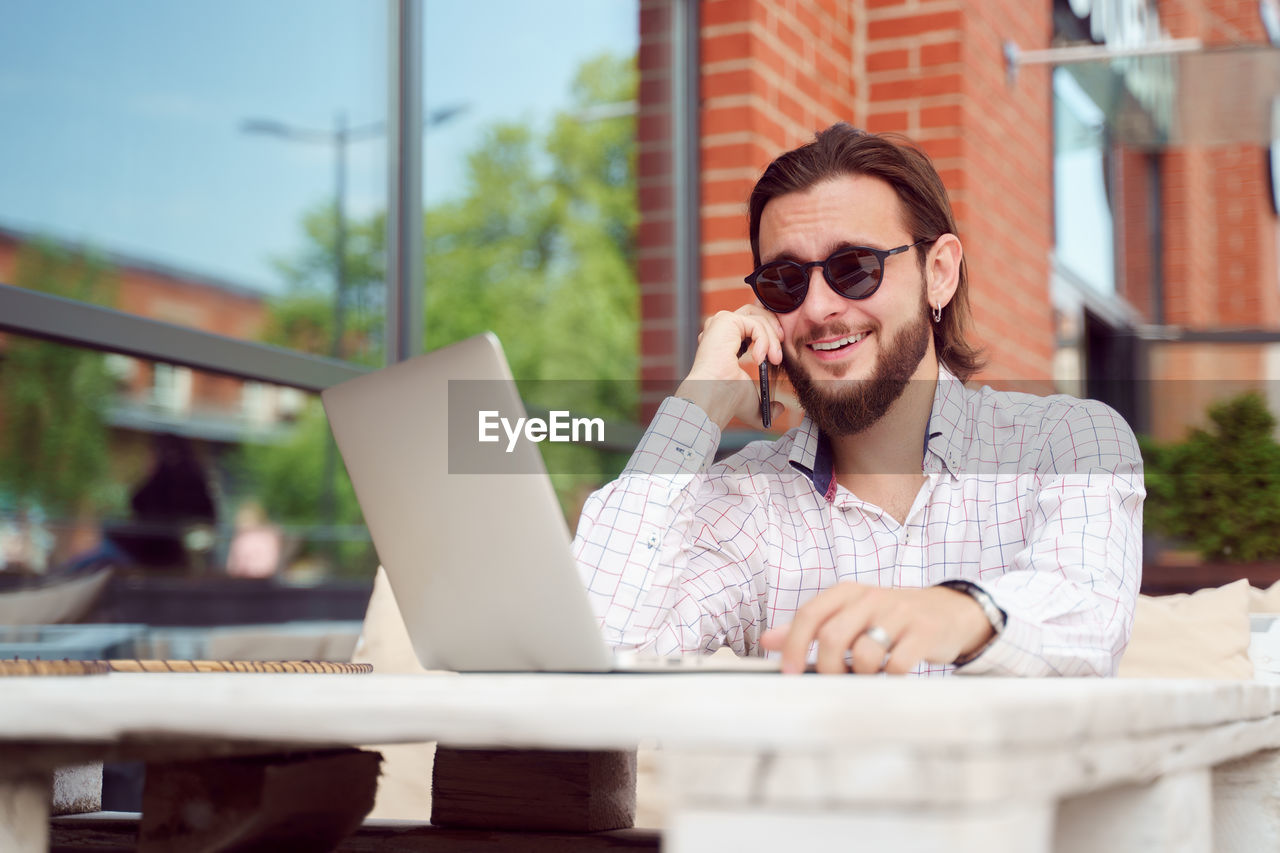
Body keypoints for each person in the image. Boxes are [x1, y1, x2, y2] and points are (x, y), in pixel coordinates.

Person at [571, 124, 1144, 677]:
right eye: (786, 281)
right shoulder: (749, 505)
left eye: (855, 268)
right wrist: (697, 407)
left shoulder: (1069, 441)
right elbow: (592, 652)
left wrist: (954, 613)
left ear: (938, 273)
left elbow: (1087, 616)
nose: (819, 309)